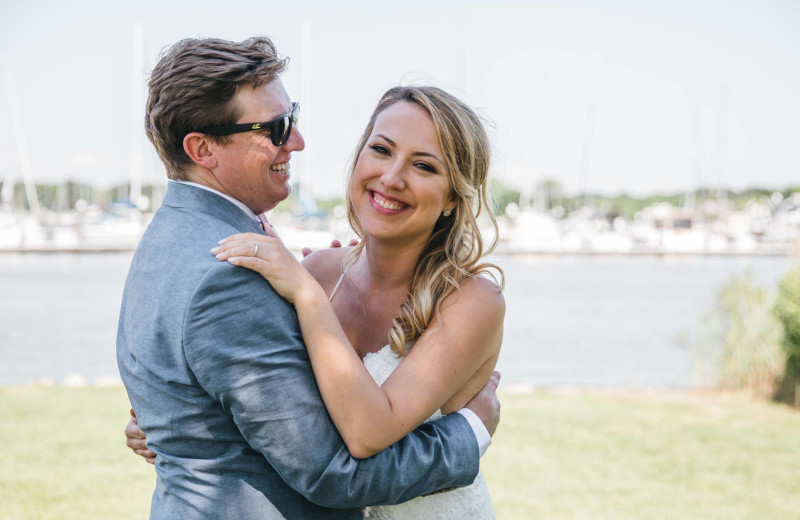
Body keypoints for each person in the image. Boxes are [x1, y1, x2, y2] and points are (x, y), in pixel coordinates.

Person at [117, 36, 500, 520]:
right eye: (277, 128)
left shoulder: (464, 300)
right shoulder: (306, 272)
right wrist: (172, 429)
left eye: (424, 166)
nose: (296, 140)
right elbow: (324, 462)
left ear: (453, 196)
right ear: (203, 149)